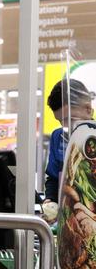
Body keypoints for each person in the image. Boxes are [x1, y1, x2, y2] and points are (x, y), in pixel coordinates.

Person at [42, 78, 94, 223]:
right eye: (60, 121)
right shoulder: (58, 137)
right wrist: (50, 200)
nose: (66, 126)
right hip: (69, 225)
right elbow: (53, 177)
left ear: (88, 109)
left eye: (70, 119)